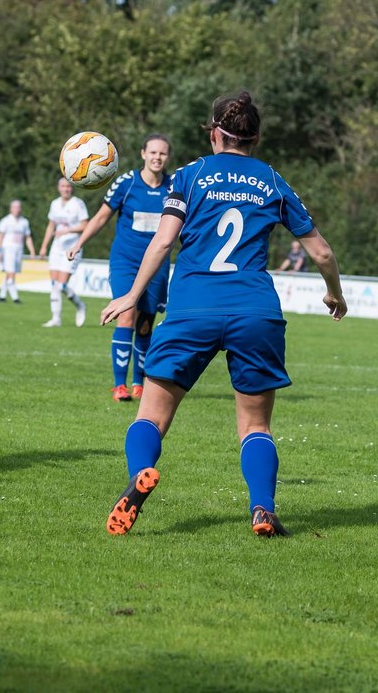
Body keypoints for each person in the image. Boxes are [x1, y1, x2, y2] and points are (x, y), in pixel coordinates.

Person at [100, 91, 347, 538]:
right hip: (255, 311)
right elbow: (323, 251)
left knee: (151, 417)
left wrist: (133, 294)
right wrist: (335, 295)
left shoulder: (189, 175)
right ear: (255, 137)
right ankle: (262, 509)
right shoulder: (272, 180)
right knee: (255, 424)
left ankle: (140, 474)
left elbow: (162, 242)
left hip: (192, 308)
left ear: (214, 133)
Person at [68, 135, 173, 402]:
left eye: (162, 153)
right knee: (126, 314)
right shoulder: (127, 183)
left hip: (157, 264)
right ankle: (119, 385)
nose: (157, 157)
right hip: (126, 261)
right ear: (143, 154)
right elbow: (102, 216)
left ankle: (139, 383)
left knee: (146, 324)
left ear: (167, 157)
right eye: (152, 152)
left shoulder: (173, 188)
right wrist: (80, 242)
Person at [38, 177, 89, 327]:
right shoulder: (54, 204)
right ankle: (56, 319)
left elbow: (85, 225)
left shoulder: (78, 203)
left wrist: (68, 230)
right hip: (57, 247)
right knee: (54, 284)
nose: (65, 189)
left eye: (68, 186)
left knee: (61, 285)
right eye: (63, 186)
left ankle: (80, 305)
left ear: (71, 188)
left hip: (72, 247)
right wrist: (43, 246)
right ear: (58, 187)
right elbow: (51, 226)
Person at [0, 199, 36, 303]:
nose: (17, 209)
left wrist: (32, 251)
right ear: (11, 208)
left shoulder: (24, 222)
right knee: (11, 273)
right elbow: (0, 236)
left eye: (18, 207)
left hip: (19, 250)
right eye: (15, 207)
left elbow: (27, 237)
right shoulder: (6, 221)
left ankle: (2, 296)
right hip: (8, 249)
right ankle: (15, 297)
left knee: (10, 274)